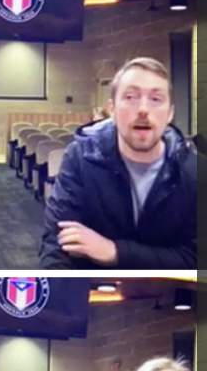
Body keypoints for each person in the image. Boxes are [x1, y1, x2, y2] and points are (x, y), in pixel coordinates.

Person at [41, 57, 196, 269]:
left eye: (156, 99)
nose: (143, 109)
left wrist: (115, 252)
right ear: (111, 110)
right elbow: (57, 247)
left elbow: (195, 259)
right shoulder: (80, 158)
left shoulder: (195, 172)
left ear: (170, 113)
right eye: (131, 97)